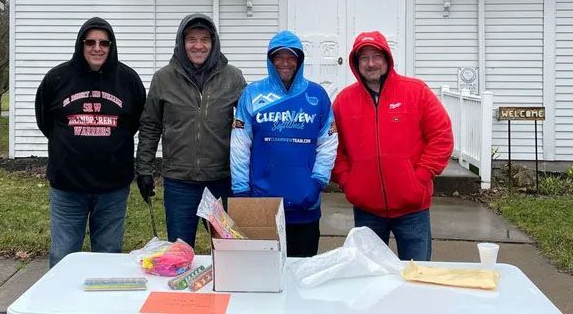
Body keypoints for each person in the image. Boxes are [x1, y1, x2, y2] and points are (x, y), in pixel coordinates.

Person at [332, 30, 453, 261]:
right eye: (364, 58)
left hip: (412, 209)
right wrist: (348, 181)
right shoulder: (344, 101)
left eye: (376, 56)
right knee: (371, 278)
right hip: (367, 210)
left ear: (387, 58)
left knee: (417, 277)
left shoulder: (416, 92)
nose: (371, 63)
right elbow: (334, 147)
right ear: (356, 63)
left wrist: (421, 176)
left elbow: (441, 136)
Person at [35, 17, 146, 267]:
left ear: (112, 45)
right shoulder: (56, 79)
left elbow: (135, 122)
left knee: (108, 256)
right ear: (81, 44)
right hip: (67, 187)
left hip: (113, 188)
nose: (97, 48)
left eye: (104, 43)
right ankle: (62, 305)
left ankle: (102, 305)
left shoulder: (128, 80)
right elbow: (46, 123)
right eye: (91, 42)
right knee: (63, 255)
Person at [135, 13, 246, 248]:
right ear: (181, 42)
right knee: (180, 251)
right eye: (192, 39)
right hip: (179, 182)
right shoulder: (163, 79)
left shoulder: (233, 78)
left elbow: (249, 123)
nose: (198, 46)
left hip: (220, 181)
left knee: (228, 249)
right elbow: (150, 126)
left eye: (205, 39)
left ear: (214, 43)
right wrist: (143, 169)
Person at [230, 30, 338, 257]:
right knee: (263, 275)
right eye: (278, 57)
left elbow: (328, 143)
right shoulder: (252, 94)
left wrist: (318, 181)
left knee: (302, 274)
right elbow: (240, 144)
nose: (285, 63)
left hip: (305, 205)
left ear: (299, 60)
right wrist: (241, 189)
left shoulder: (317, 95)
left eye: (291, 57)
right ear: (270, 60)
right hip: (263, 204)